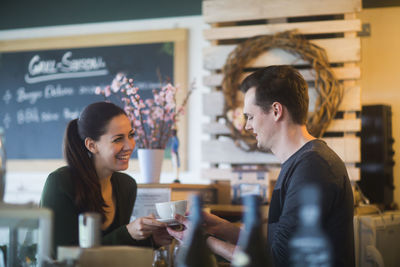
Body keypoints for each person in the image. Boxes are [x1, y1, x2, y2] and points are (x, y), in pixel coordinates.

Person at [168, 65, 355, 266]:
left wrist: (201, 242)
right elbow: (276, 247)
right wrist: (221, 227)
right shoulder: (303, 162)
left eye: (250, 116)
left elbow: (277, 261)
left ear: (276, 111)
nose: (247, 126)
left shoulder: (314, 167)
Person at [41, 102, 172, 256]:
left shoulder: (126, 186)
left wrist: (152, 240)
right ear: (91, 145)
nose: (129, 146)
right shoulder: (60, 183)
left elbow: (114, 253)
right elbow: (61, 256)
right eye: (118, 139)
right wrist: (127, 232)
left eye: (131, 135)